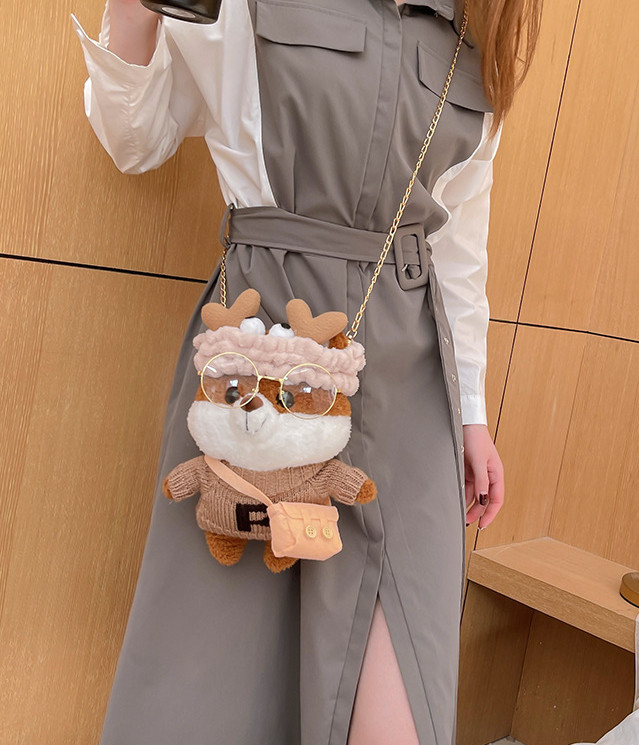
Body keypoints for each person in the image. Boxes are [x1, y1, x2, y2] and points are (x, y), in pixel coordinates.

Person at [71, 0, 540, 742]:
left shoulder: (473, 31)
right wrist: (133, 16)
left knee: (401, 687)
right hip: (262, 366)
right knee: (219, 673)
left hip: (412, 386)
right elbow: (137, 138)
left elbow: (456, 245)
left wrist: (472, 414)